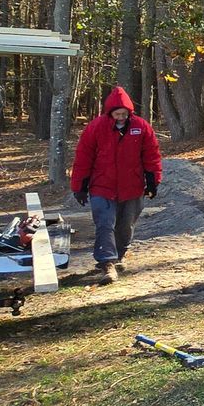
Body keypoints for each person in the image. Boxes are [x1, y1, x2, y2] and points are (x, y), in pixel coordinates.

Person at [71, 85, 162, 284]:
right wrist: (79, 186)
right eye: (117, 114)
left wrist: (152, 182)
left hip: (132, 187)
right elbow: (83, 158)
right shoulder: (96, 127)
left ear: (130, 112)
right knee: (104, 224)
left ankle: (120, 253)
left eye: (124, 113)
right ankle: (107, 263)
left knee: (126, 225)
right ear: (109, 112)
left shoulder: (141, 127)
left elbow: (151, 156)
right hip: (102, 187)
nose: (120, 117)